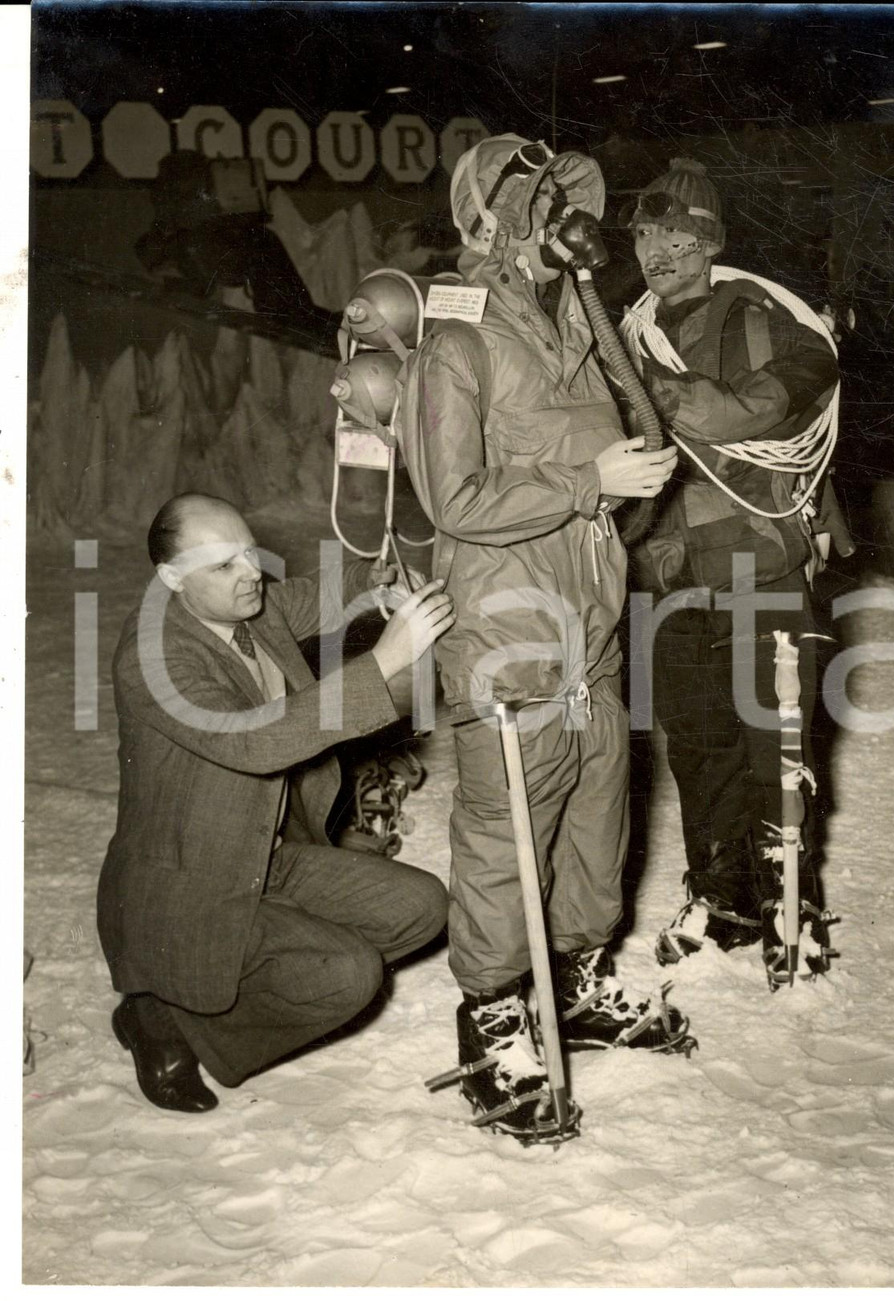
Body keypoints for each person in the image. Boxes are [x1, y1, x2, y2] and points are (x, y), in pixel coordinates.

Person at [395, 134, 691, 1146]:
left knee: (598, 810)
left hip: (591, 615)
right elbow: (454, 499)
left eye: (568, 203)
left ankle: (577, 981)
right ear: (496, 222)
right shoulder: (457, 342)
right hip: (506, 623)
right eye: (541, 206)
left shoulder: (576, 327)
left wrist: (618, 486)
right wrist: (587, 482)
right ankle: (492, 1019)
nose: (567, 223)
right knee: (504, 830)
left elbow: (619, 451)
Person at [97, 493, 453, 1113]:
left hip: (270, 854)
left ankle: (242, 977)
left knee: (420, 908)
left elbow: (309, 598)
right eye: (224, 565)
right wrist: (385, 660)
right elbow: (255, 741)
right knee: (349, 975)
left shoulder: (242, 607)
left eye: (249, 553)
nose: (251, 574)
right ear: (172, 579)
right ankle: (162, 1017)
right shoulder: (153, 658)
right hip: (194, 880)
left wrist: (371, 579)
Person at [620, 158, 842, 989]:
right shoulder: (623, 335)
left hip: (760, 563)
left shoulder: (769, 320)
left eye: (677, 236)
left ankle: (793, 907)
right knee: (699, 745)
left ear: (711, 242)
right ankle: (723, 897)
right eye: (645, 235)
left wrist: (659, 395)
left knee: (774, 741)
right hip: (670, 573)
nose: (657, 251)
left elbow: (764, 403)